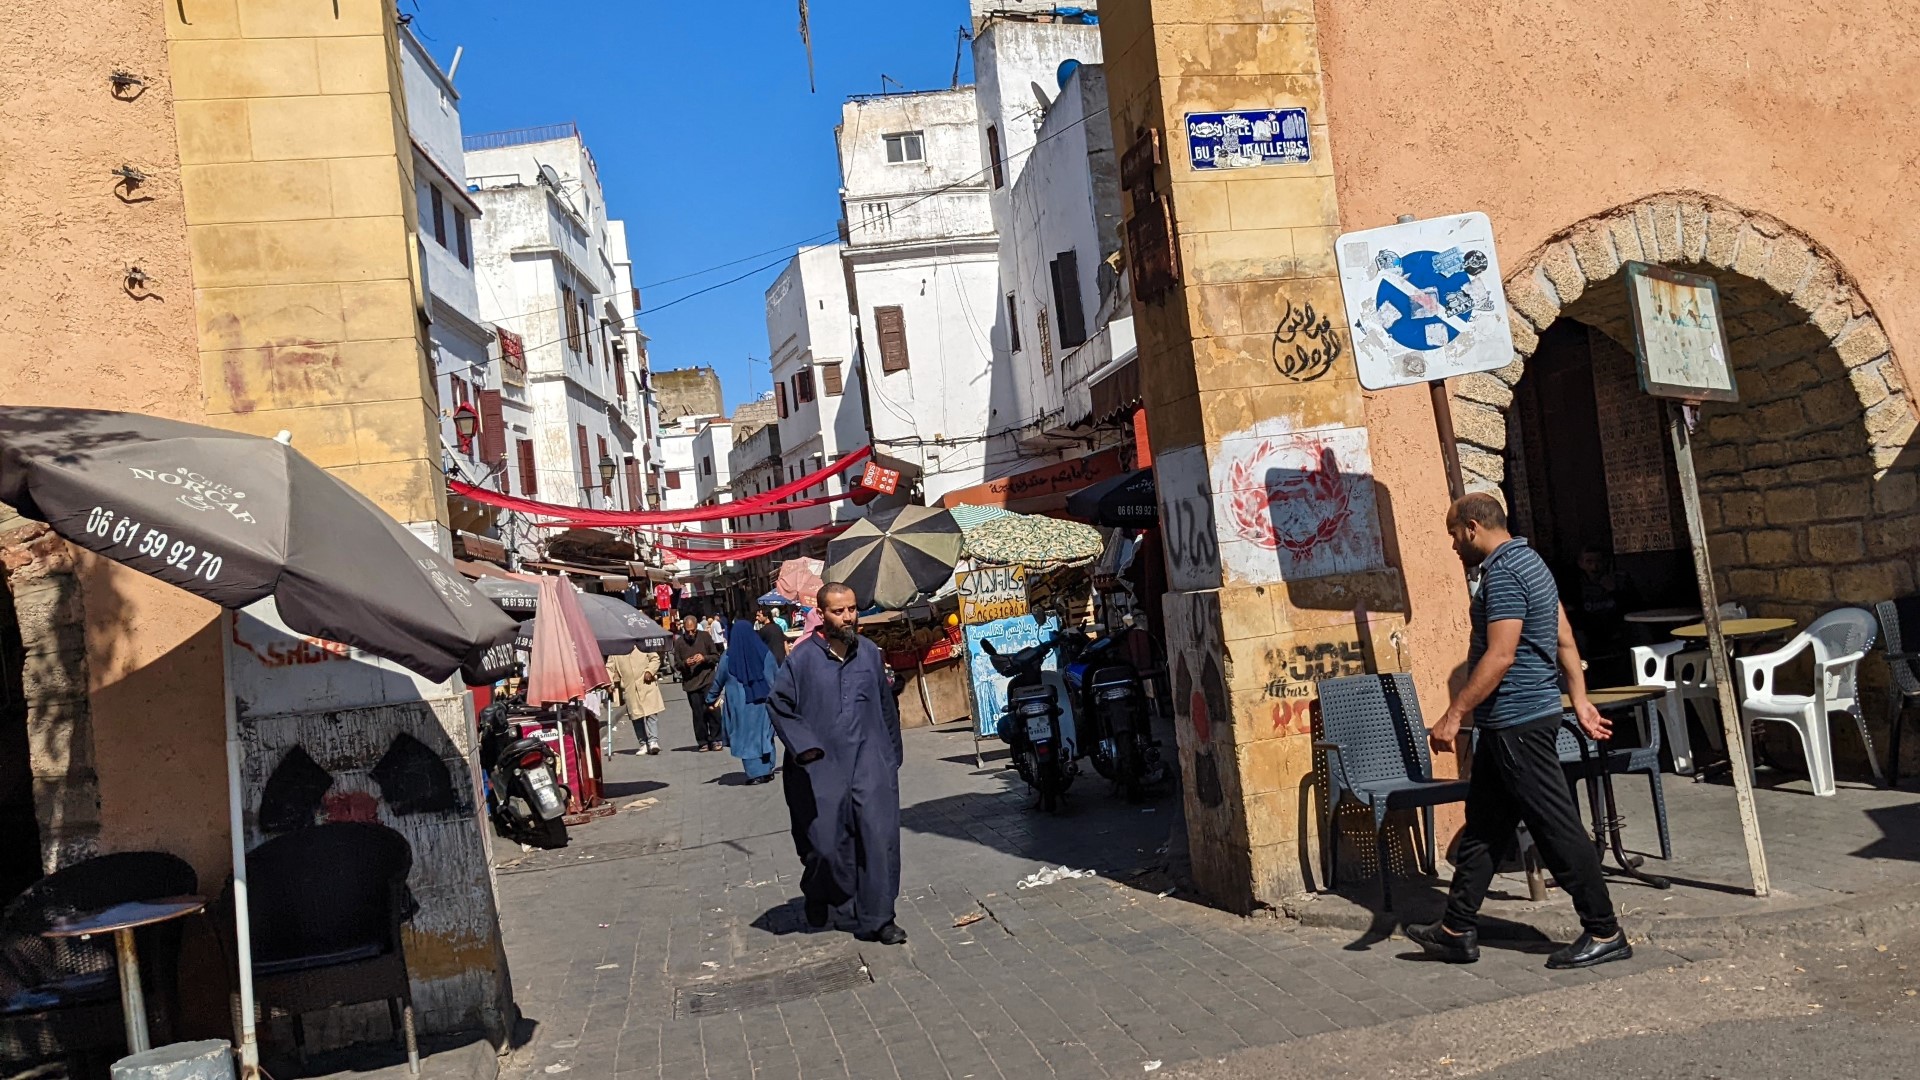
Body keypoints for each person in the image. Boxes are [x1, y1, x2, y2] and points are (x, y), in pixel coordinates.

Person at [1406, 493, 1629, 971]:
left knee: (1556, 827)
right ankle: (1456, 929)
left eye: (1454, 535)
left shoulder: (1505, 572)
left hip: (1518, 724)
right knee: (1485, 827)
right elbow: (1564, 637)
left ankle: (1604, 929)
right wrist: (1579, 699)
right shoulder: (1533, 563)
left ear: (1472, 527)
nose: (1453, 546)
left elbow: (1501, 654)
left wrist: (1454, 714)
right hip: (1514, 722)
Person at [766, 582, 907, 945]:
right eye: (838, 611)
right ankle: (820, 894)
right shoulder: (802, 660)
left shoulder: (870, 653)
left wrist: (891, 756)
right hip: (821, 766)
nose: (848, 617)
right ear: (821, 614)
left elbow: (885, 705)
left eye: (852, 609)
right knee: (825, 846)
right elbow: (779, 704)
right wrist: (806, 748)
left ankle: (879, 917)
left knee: (878, 839)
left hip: (870, 761)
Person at [707, 619, 780, 784]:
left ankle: (755, 774)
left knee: (747, 739)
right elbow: (776, 678)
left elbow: (718, 681)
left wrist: (711, 699)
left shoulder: (728, 657)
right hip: (763, 704)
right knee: (764, 736)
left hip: (740, 706)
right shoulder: (765, 653)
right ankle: (767, 769)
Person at [672, 619, 723, 752]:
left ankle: (716, 738)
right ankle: (703, 741)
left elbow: (716, 656)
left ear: (696, 628)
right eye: (687, 631)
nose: (690, 634)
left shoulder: (705, 637)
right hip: (691, 683)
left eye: (693, 631)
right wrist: (685, 663)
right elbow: (676, 665)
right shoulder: (679, 642)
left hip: (708, 679)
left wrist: (704, 658)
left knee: (713, 710)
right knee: (698, 714)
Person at [607, 646, 666, 755]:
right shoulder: (616, 649)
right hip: (630, 688)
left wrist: (650, 671)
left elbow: (655, 659)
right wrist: (609, 683)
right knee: (636, 717)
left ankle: (653, 742)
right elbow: (609, 668)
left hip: (646, 684)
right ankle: (643, 744)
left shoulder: (642, 644)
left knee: (651, 714)